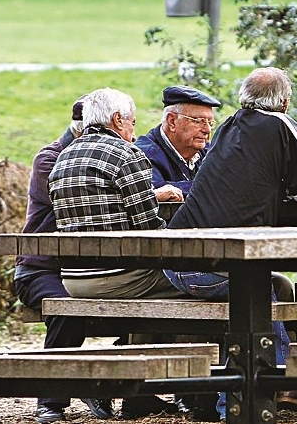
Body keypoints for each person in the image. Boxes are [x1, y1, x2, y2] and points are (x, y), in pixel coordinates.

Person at [168, 67, 297, 417]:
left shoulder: (227, 126)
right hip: (215, 267)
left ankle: (234, 397)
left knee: (265, 285)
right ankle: (260, 395)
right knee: (258, 293)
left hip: (177, 262)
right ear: (284, 102)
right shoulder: (280, 125)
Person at [48, 87, 186, 419]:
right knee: (212, 285)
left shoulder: (63, 157)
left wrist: (151, 196)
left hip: (75, 281)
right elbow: (150, 233)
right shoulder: (128, 155)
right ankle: (201, 393)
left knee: (169, 285)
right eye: (133, 122)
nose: (135, 131)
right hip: (122, 278)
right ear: (117, 119)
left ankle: (139, 393)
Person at [13, 96, 113, 424]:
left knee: (140, 294)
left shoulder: (104, 156)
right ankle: (51, 399)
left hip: (84, 269)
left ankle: (119, 386)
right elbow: (80, 203)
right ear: (84, 128)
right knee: (67, 306)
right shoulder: (50, 159)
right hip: (40, 268)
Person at [135, 85, 222, 201]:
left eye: (210, 123)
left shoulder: (208, 151)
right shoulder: (142, 155)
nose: (207, 130)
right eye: (198, 121)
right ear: (172, 121)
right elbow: (153, 192)